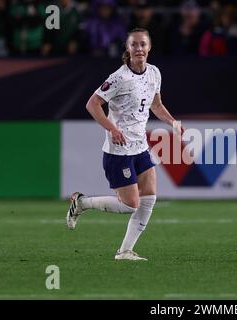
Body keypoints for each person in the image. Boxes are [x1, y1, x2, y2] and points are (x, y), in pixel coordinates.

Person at [66, 28, 184, 261]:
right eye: (134, 45)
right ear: (127, 49)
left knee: (149, 198)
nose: (139, 48)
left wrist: (173, 122)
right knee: (131, 205)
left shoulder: (154, 73)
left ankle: (125, 251)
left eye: (143, 44)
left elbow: (156, 105)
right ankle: (81, 202)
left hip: (140, 147)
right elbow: (92, 105)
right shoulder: (119, 78)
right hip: (118, 151)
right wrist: (112, 128)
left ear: (149, 47)